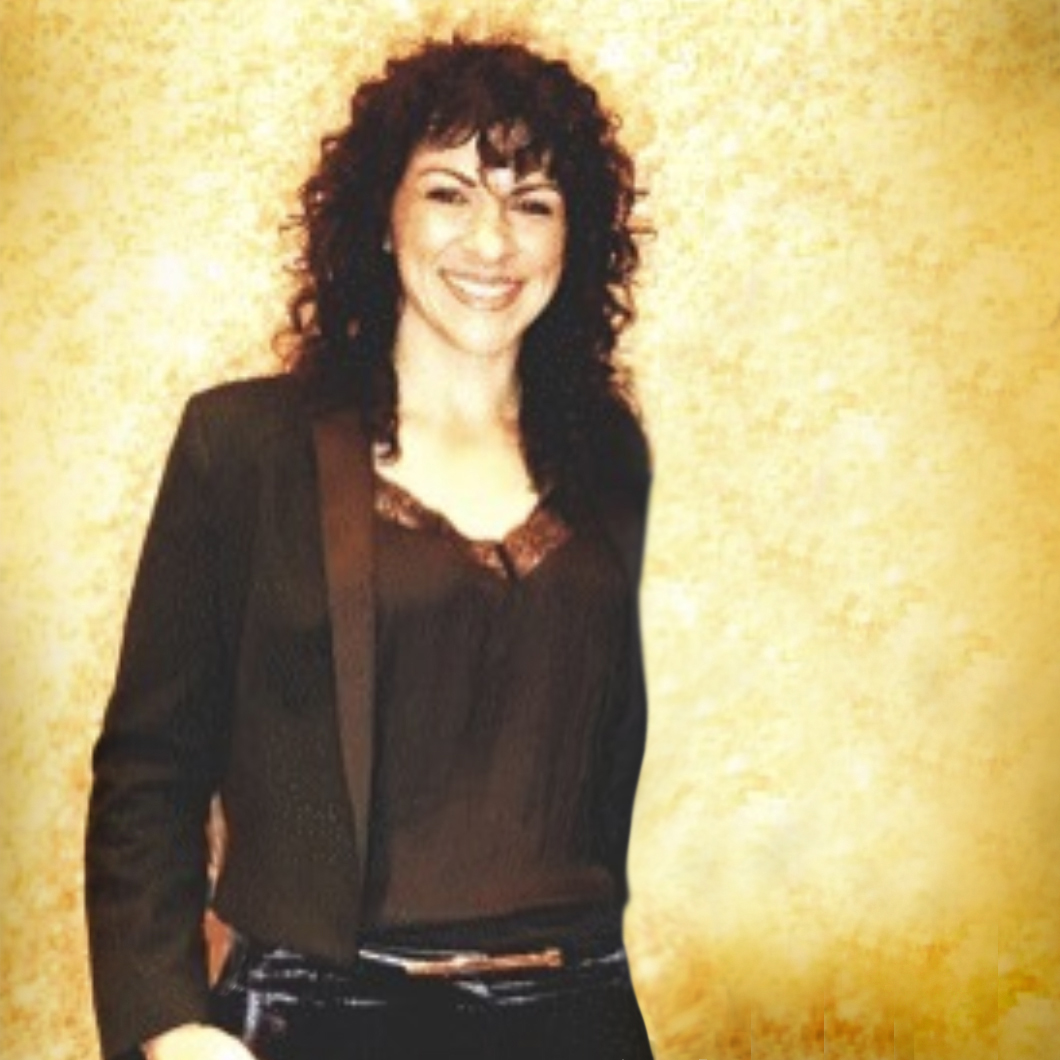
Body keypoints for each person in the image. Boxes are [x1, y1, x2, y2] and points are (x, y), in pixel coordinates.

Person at [85, 33, 655, 1060]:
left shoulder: (612, 459)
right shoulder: (245, 446)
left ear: (575, 240)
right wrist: (167, 1024)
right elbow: (150, 769)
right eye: (449, 193)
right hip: (318, 1018)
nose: (492, 241)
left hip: (580, 1017)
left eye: (533, 203)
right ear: (381, 219)